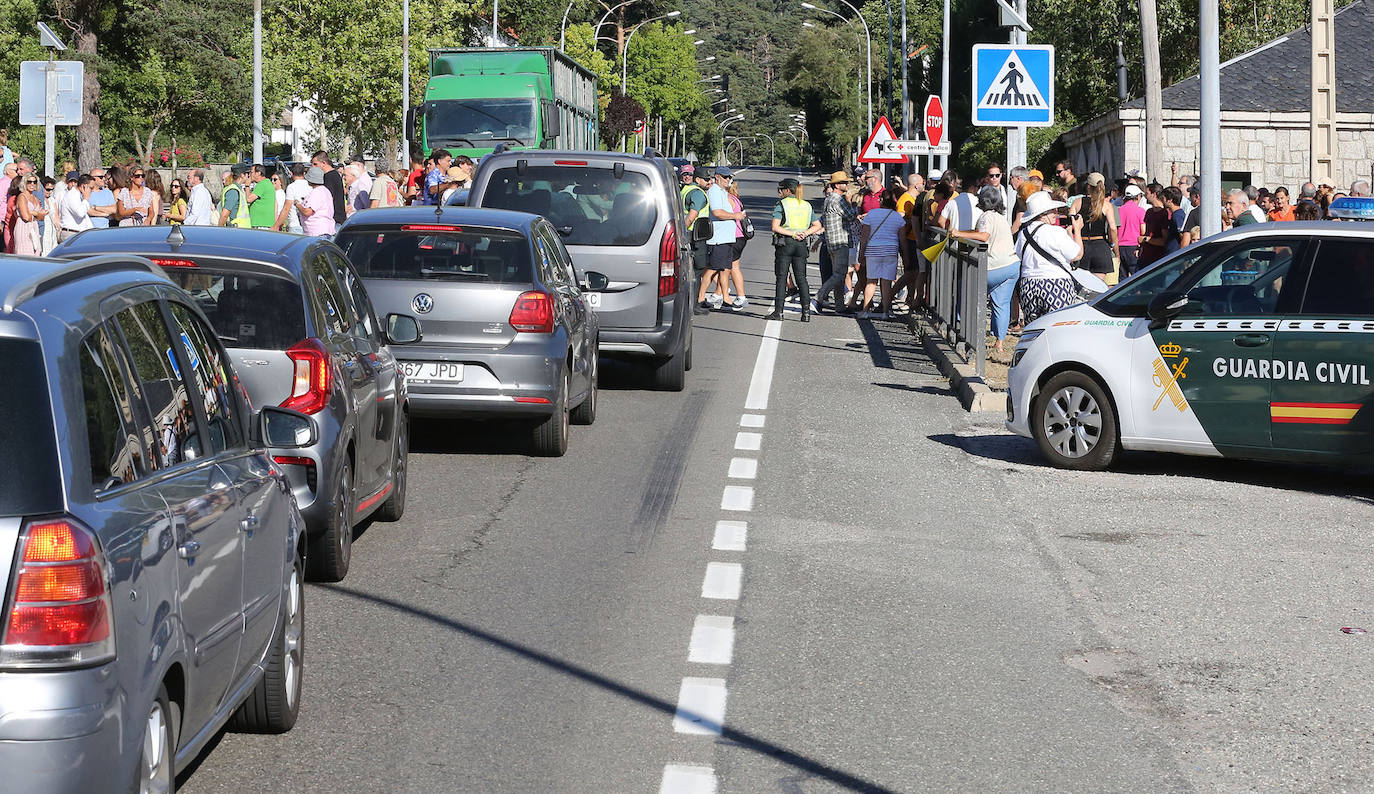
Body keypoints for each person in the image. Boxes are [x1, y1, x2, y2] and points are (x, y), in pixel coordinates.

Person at [950, 186, 1019, 353]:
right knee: (1001, 304)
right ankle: (999, 343)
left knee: (965, 289)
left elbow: (983, 236)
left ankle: (963, 329)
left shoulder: (986, 216)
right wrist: (963, 232)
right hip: (1012, 265)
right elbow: (979, 232)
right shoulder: (1000, 217)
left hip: (995, 266)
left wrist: (959, 234)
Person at [1015, 191, 1083, 324]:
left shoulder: (1023, 233)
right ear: (1043, 213)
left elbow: (1019, 255)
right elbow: (1077, 254)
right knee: (1058, 327)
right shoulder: (1056, 232)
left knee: (1034, 328)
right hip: (1056, 283)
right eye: (1053, 210)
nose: (1056, 213)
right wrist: (1077, 231)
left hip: (1028, 284)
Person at [766, 177, 822, 321]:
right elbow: (817, 225)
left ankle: (778, 312)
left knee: (781, 277)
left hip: (785, 243)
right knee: (802, 278)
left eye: (780, 189)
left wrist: (792, 233)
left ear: (787, 190)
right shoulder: (806, 205)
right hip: (801, 244)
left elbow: (775, 227)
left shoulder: (782, 204)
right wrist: (805, 233)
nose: (779, 192)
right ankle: (806, 312)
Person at [853, 187, 904, 319]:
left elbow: (864, 236)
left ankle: (865, 311)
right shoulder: (897, 217)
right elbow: (902, 239)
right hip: (890, 251)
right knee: (886, 283)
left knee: (871, 281)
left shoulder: (871, 214)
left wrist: (861, 253)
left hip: (873, 251)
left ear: (881, 200)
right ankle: (885, 312)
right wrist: (906, 256)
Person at [703, 166, 747, 311]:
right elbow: (717, 212)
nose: (728, 179)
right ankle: (701, 298)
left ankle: (726, 298)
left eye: (729, 177)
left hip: (728, 238)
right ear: (717, 177)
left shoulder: (723, 192)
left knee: (725, 269)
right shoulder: (714, 191)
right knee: (712, 269)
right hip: (719, 238)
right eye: (725, 177)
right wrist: (736, 216)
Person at [816, 171, 856, 313]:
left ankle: (839, 306)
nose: (847, 184)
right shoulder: (839, 200)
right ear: (837, 185)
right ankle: (819, 296)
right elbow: (851, 216)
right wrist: (850, 202)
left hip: (831, 240)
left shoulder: (828, 199)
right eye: (844, 182)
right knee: (840, 274)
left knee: (838, 274)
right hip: (840, 241)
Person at [1069, 175, 1120, 285]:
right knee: (1098, 286)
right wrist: (1113, 245)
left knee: (1081, 285)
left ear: (1088, 186)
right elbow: (1112, 228)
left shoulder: (1077, 202)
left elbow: (1070, 225)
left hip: (1081, 245)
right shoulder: (1106, 205)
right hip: (1100, 246)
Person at [678, 164, 711, 313]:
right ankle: (694, 305)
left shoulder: (684, 190)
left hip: (690, 235)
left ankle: (690, 304)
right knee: (697, 270)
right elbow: (691, 216)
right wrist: (682, 233)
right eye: (706, 179)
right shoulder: (697, 193)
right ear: (698, 180)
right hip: (695, 237)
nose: (709, 182)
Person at [296, 166, 336, 236]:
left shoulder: (316, 192)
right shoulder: (325, 190)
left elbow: (307, 212)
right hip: (325, 230)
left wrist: (297, 204)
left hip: (317, 232)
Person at [59, 174, 101, 240]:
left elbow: (85, 218)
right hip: (71, 234)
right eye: (91, 188)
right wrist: (86, 199)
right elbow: (80, 213)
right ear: (83, 186)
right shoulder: (72, 195)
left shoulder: (79, 196)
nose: (92, 190)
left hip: (78, 234)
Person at [11, 173, 44, 255]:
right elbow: (26, 217)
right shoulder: (22, 196)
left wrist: (33, 213)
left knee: (36, 253)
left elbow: (42, 217)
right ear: (24, 183)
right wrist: (37, 214)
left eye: (34, 182)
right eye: (29, 182)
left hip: (34, 227)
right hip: (23, 227)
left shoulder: (36, 198)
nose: (32, 184)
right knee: (24, 254)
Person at [1117, 183, 1146, 276]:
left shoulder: (1118, 210)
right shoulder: (1140, 211)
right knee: (1136, 276)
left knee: (1122, 277)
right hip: (1134, 247)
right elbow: (1143, 231)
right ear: (1137, 197)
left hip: (1120, 247)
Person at [273, 163, 311, 233]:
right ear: (304, 173)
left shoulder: (291, 187)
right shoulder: (310, 186)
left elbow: (286, 208)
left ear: (291, 173)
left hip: (295, 224)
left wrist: (276, 226)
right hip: (308, 224)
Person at [311, 151, 347, 220]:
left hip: (334, 218)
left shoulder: (330, 176)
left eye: (315, 164)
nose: (313, 167)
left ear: (324, 163)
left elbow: (327, 198)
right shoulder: (334, 174)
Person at [246, 163, 278, 229]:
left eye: (251, 172)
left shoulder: (262, 184)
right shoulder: (267, 183)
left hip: (261, 224)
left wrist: (247, 185)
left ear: (258, 173)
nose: (250, 175)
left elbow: (249, 199)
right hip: (265, 223)